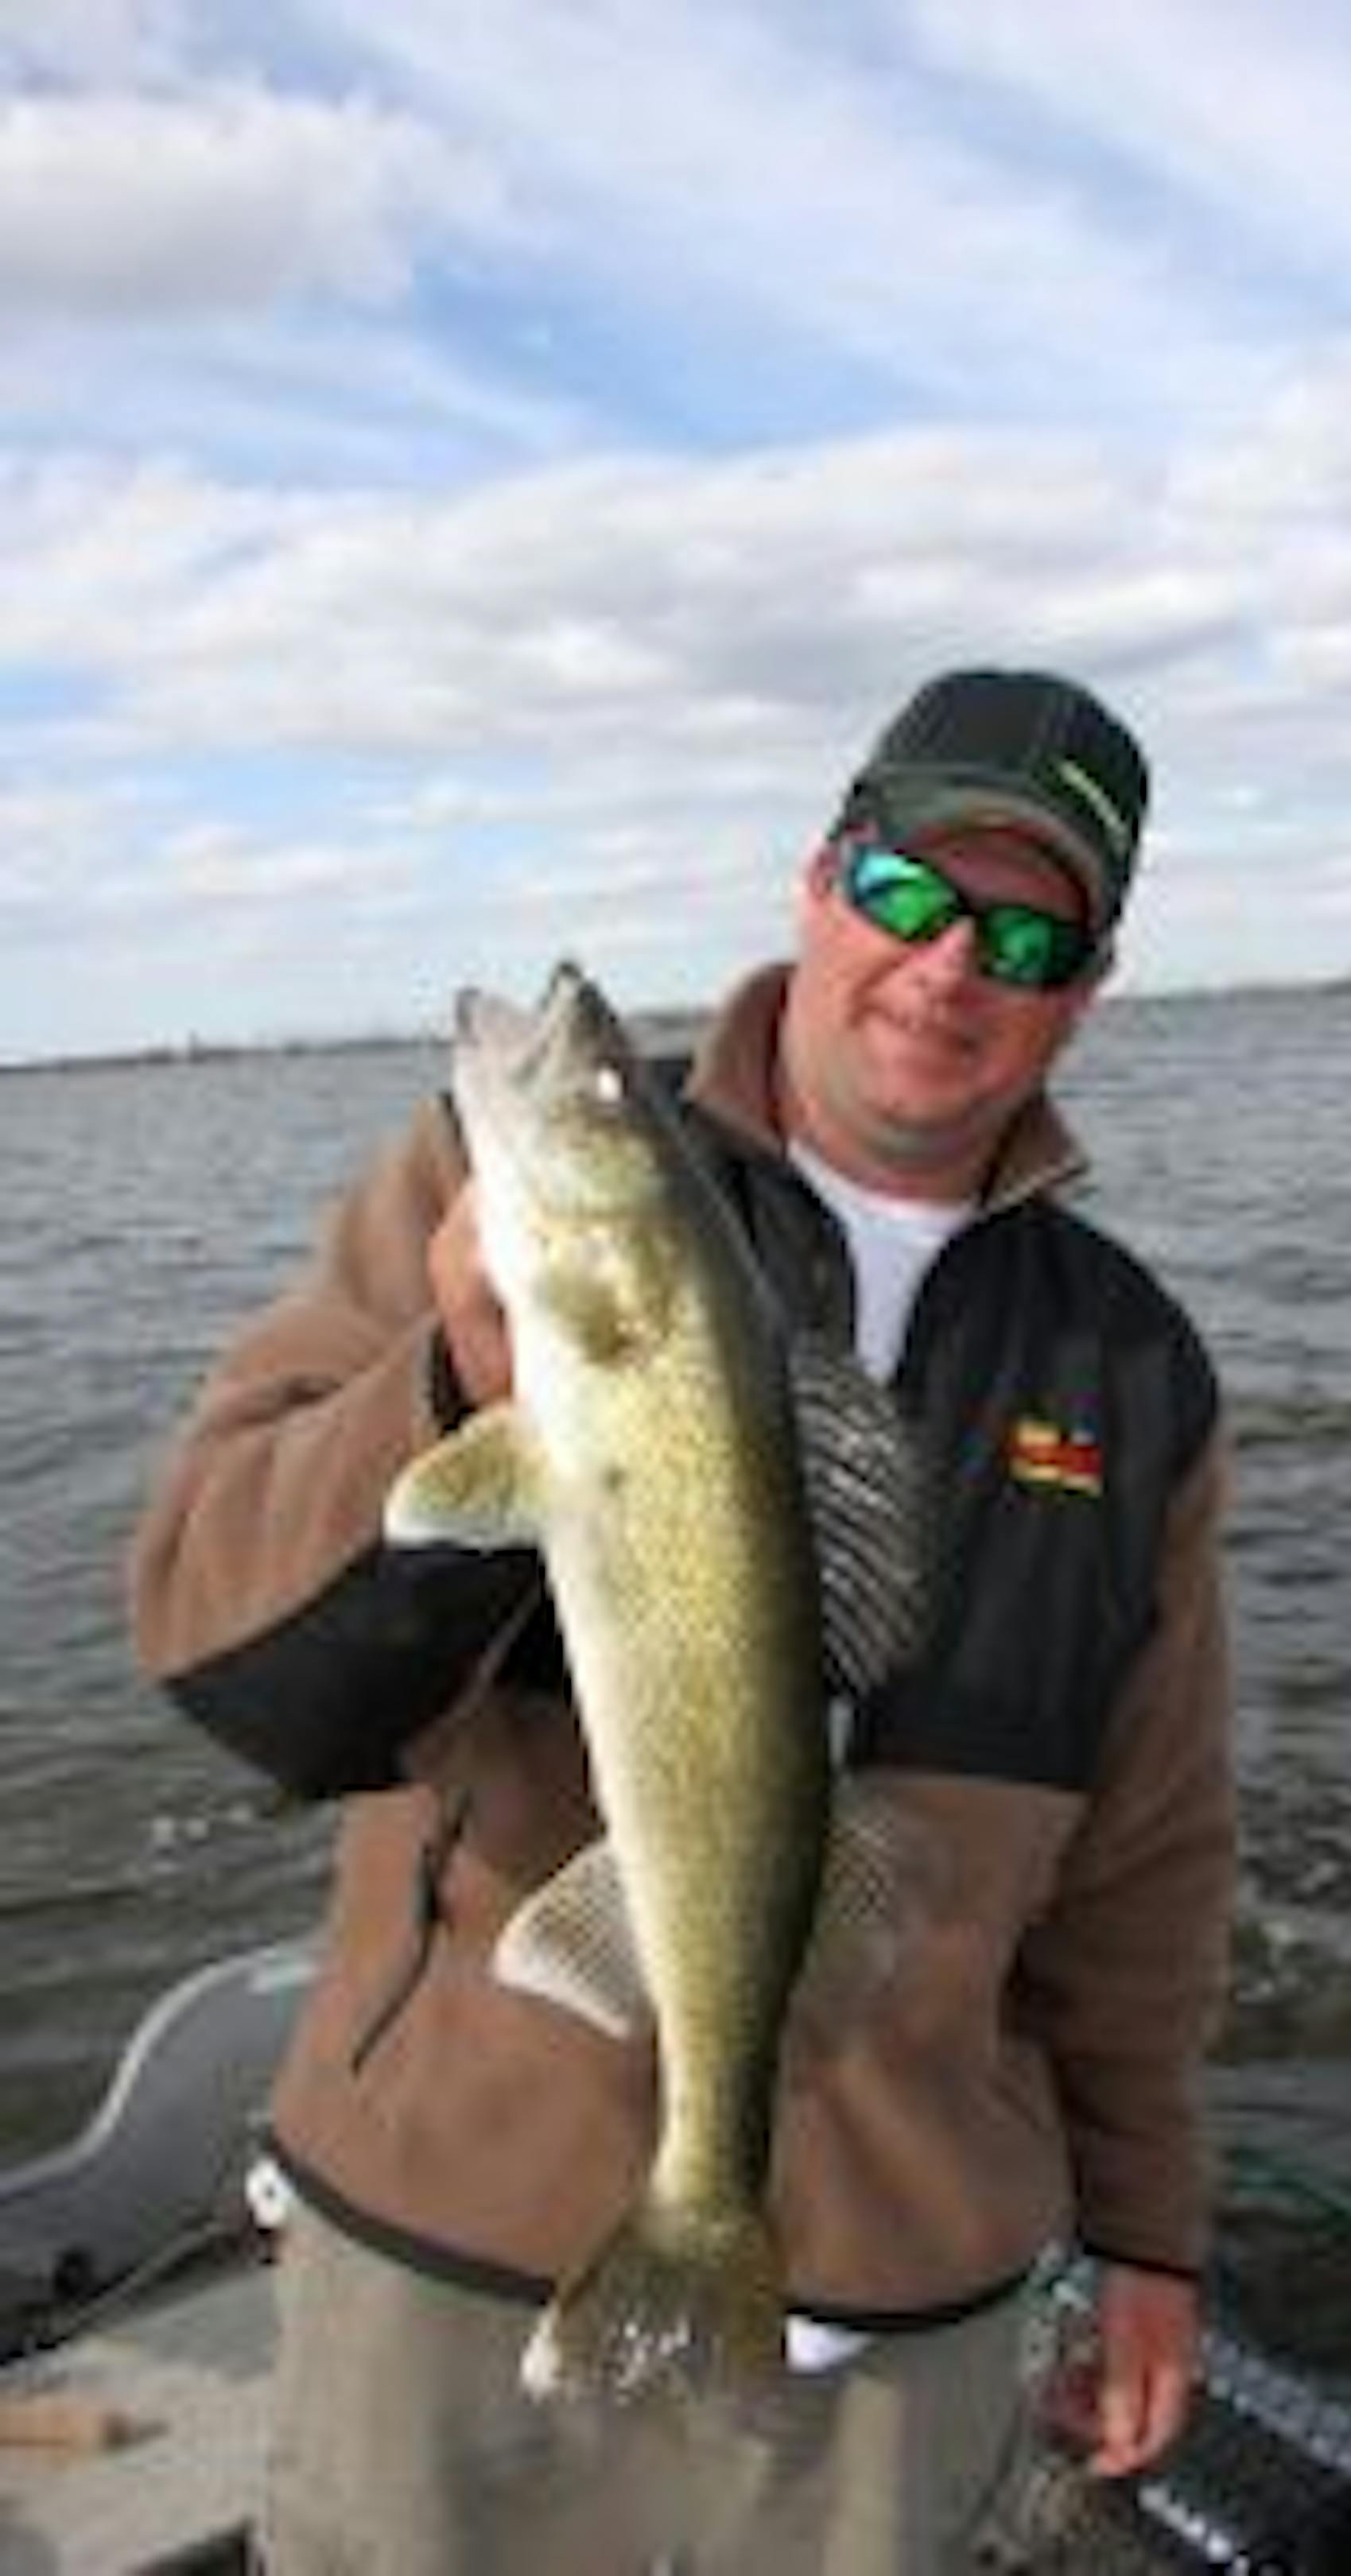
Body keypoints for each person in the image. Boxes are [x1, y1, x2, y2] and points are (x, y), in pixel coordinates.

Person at [129, 666, 1235, 2574]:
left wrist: (1146, 2224)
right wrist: (455, 1385)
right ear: (819, 879)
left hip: (911, 2301)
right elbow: (221, 1657)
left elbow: (1150, 1849)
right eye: (906, 892)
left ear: (1086, 990)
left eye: (1028, 929)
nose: (948, 962)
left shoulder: (1130, 1363)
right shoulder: (483, 1204)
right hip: (459, 2252)